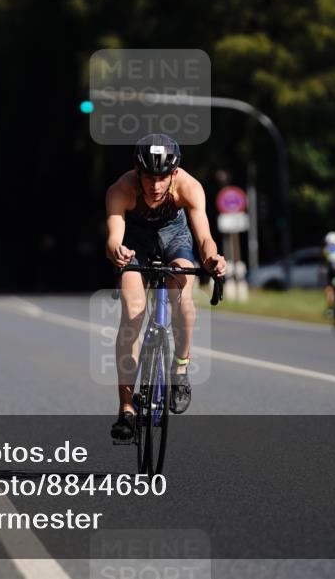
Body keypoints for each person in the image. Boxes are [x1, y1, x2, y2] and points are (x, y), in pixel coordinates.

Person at [105, 133, 227, 441]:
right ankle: (127, 410)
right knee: (132, 313)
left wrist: (212, 259)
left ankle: (180, 369)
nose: (155, 186)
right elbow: (113, 237)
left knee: (184, 302)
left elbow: (203, 239)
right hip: (136, 243)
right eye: (148, 177)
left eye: (162, 178)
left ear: (173, 174)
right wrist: (117, 250)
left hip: (176, 239)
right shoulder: (121, 190)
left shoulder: (189, 187)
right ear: (137, 171)